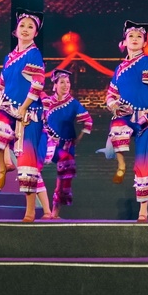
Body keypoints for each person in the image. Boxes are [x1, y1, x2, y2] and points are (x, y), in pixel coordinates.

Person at [103, 20, 148, 222]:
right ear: (124, 41)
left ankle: (143, 210)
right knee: (116, 127)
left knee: (144, 161)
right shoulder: (120, 68)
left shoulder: (146, 62)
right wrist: (114, 106)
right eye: (130, 36)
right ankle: (121, 165)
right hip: (125, 115)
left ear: (145, 43)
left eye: (139, 37)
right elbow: (110, 94)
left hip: (145, 117)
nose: (134, 39)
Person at [0, 8, 50, 222]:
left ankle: (30, 211)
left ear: (36, 33)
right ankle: (2, 166)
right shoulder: (9, 57)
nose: (25, 29)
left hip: (30, 113)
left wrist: (24, 108)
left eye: (30, 27)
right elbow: (2, 85)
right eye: (22, 25)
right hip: (8, 107)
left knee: (27, 164)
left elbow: (38, 84)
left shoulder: (34, 54)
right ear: (15, 30)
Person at [42, 68, 93, 219]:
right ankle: (45, 208)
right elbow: (40, 119)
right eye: (62, 82)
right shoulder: (47, 102)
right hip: (50, 145)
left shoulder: (73, 103)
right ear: (55, 85)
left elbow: (88, 121)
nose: (66, 85)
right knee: (42, 168)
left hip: (67, 146)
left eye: (68, 82)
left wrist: (79, 138)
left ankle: (55, 212)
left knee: (63, 176)